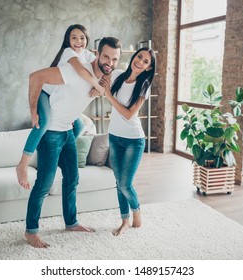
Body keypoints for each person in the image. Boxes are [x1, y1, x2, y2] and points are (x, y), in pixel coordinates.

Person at [24, 37, 122, 248]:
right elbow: (35, 77)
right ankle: (31, 231)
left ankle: (71, 222)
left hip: (67, 131)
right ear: (97, 54)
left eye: (115, 59)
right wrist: (34, 111)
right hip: (50, 133)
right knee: (44, 184)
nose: (110, 63)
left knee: (72, 179)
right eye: (106, 56)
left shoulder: (104, 79)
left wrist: (102, 89)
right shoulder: (74, 71)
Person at [16, 24, 105, 189]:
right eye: (74, 38)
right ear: (68, 40)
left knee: (78, 125)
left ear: (87, 40)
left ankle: (60, 151)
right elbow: (80, 71)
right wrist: (97, 86)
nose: (78, 41)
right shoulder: (69, 52)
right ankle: (23, 164)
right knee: (44, 121)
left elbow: (101, 70)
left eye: (82, 38)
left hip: (60, 99)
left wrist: (101, 85)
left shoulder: (88, 54)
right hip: (46, 93)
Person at [100, 47, 156, 236]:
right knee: (118, 182)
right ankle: (124, 220)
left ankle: (137, 210)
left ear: (149, 68)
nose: (140, 61)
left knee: (125, 184)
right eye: (139, 56)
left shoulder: (144, 85)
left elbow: (129, 114)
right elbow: (99, 77)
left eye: (146, 61)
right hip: (114, 137)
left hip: (134, 140)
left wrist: (108, 95)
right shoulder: (117, 75)